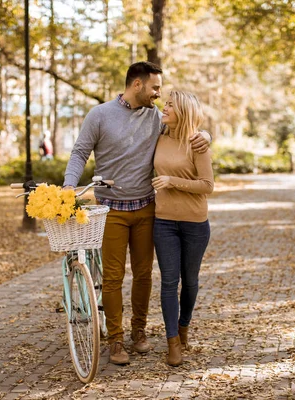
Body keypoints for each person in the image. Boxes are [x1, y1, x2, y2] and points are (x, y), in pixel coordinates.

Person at [63, 61, 211, 365]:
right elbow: (80, 152)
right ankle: (116, 340)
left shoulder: (156, 118)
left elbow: (185, 130)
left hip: (147, 208)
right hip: (111, 209)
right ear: (137, 85)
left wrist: (206, 136)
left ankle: (138, 331)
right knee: (114, 276)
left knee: (144, 274)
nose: (159, 94)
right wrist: (68, 185)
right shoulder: (100, 115)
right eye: (155, 87)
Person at [152, 91, 213, 366]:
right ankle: (172, 341)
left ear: (184, 111)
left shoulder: (197, 143)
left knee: (189, 281)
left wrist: (172, 181)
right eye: (165, 103)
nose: (164, 107)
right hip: (163, 221)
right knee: (168, 282)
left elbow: (208, 186)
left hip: (195, 223)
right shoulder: (159, 136)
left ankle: (184, 324)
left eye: (171, 105)